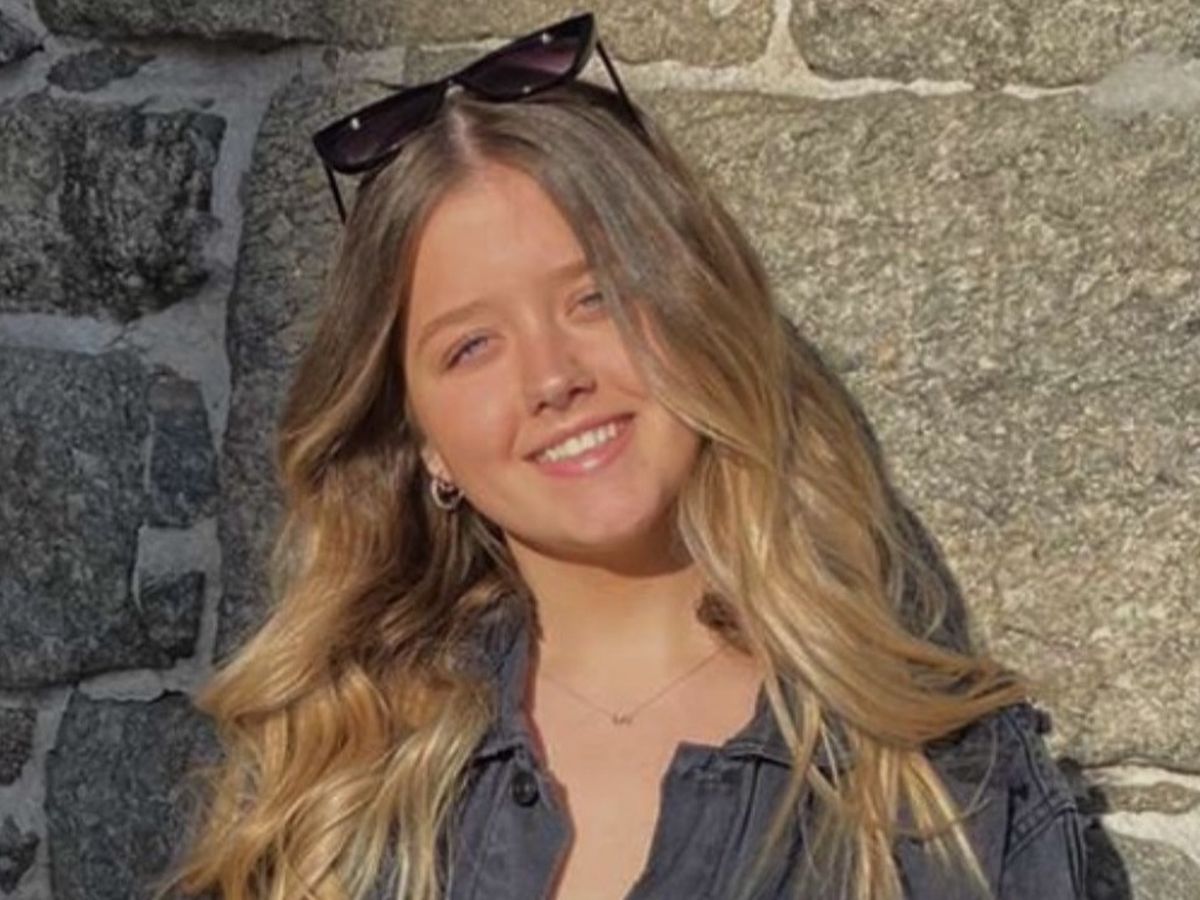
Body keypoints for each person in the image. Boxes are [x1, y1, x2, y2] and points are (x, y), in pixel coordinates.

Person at [158, 12, 1087, 900]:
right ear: (422, 440)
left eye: (595, 297)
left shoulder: (946, 785)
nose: (552, 377)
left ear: (696, 316)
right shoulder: (323, 792)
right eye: (471, 346)